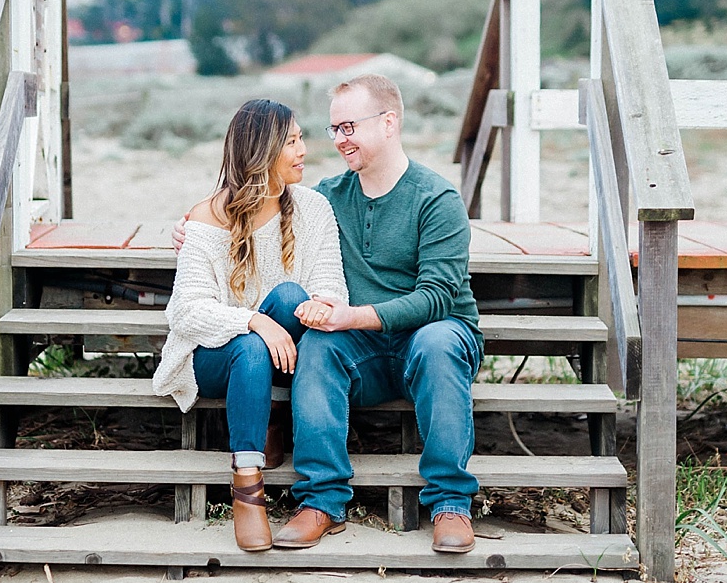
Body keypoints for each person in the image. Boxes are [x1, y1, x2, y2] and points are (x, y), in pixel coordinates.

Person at [174, 75, 483, 555]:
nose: (338, 140)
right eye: (333, 128)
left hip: (430, 336)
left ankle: (450, 503)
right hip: (358, 345)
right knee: (318, 343)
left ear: (388, 124)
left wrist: (353, 316)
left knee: (437, 341)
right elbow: (258, 208)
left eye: (349, 127)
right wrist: (194, 225)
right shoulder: (328, 196)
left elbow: (438, 297)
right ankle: (321, 501)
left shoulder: (436, 199)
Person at [151, 99, 347, 553]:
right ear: (262, 152)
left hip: (290, 348)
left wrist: (323, 306)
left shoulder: (313, 209)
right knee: (251, 347)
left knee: (292, 297)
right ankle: (247, 487)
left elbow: (331, 285)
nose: (304, 150)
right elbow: (185, 312)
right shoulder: (206, 218)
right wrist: (254, 320)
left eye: (302, 138)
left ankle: (273, 418)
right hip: (217, 356)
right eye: (292, 142)